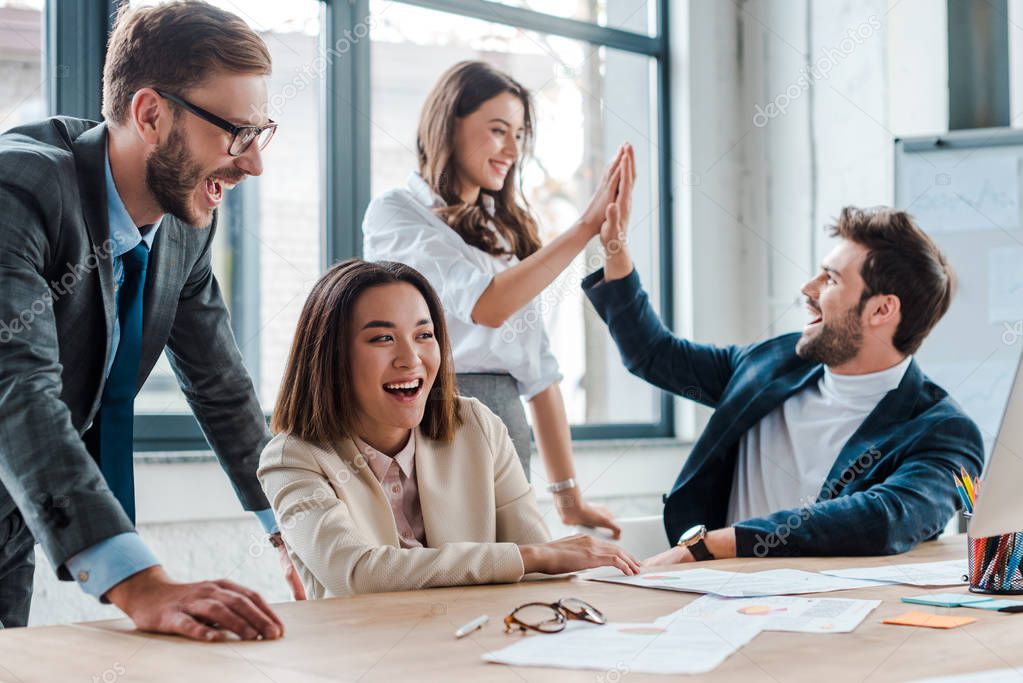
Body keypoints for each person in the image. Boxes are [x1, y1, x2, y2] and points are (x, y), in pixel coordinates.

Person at [0, 1, 298, 638]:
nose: (253, 164)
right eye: (235, 134)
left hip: (11, 521)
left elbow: (221, 386)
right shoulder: (17, 189)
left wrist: (294, 524)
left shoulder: (184, 224)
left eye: (260, 134)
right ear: (151, 115)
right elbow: (15, 390)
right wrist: (143, 585)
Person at [583, 201, 984, 564]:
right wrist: (616, 251)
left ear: (882, 309)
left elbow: (884, 519)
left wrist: (711, 546)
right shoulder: (773, 362)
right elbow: (655, 355)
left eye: (830, 279)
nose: (808, 289)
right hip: (709, 601)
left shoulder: (943, 432)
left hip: (835, 621)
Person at [363, 60, 636, 538]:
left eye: (519, 135)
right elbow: (486, 306)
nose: (512, 149)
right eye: (497, 130)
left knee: (514, 587)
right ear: (449, 124)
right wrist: (584, 228)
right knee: (448, 580)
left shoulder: (501, 234)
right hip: (436, 422)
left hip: (507, 430)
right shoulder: (396, 214)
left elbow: (539, 371)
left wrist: (569, 500)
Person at [258, 259, 640, 598]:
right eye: (383, 338)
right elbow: (356, 573)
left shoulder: (477, 426)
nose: (411, 359)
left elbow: (539, 569)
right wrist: (527, 557)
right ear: (331, 356)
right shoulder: (292, 458)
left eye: (424, 335)